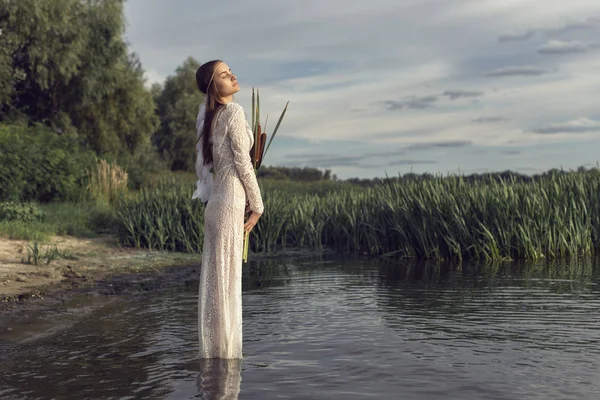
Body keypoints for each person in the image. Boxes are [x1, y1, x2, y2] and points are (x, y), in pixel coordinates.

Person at [193, 59, 264, 359]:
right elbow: (243, 165)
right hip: (230, 204)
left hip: (217, 206)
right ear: (214, 86)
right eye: (224, 74)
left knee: (217, 290)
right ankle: (226, 362)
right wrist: (258, 205)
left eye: (230, 71)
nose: (232, 75)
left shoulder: (211, 118)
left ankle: (215, 359)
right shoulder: (233, 112)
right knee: (228, 288)